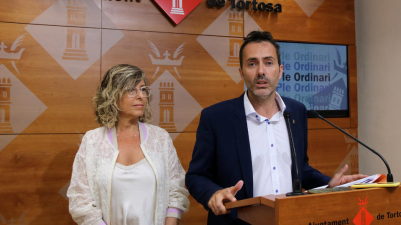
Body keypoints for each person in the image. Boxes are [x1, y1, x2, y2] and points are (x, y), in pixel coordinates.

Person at [185, 31, 366, 225]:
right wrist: (212, 193)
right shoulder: (216, 118)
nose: (261, 71)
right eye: (252, 63)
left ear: (280, 71)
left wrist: (328, 184)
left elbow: (299, 168)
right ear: (241, 72)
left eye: (268, 63)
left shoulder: (296, 111)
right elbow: (196, 176)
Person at [67, 64, 189, 225]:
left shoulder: (160, 138)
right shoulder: (93, 141)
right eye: (132, 90)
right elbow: (80, 200)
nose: (140, 96)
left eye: (143, 89)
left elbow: (176, 191)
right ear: (113, 95)